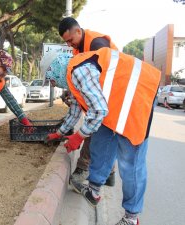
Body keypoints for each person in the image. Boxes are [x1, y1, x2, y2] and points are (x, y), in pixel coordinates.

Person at [45, 49, 160, 225]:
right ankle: (94, 190)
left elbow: (98, 110)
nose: (54, 85)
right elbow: (76, 110)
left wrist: (79, 136)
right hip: (116, 101)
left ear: (55, 68)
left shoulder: (78, 71)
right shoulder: (73, 76)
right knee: (100, 141)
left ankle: (131, 217)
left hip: (138, 93)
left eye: (51, 80)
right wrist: (59, 133)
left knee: (130, 161)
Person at [58, 17, 117, 186]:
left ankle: (83, 168)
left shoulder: (97, 44)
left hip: (113, 91)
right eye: (66, 42)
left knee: (95, 125)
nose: (69, 45)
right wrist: (61, 131)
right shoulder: (79, 49)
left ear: (78, 31)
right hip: (105, 93)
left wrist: (79, 135)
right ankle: (110, 174)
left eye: (70, 40)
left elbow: (97, 103)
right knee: (103, 131)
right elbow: (78, 101)